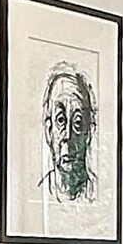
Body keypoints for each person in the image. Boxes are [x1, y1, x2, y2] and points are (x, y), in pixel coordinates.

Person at [37, 62, 97, 203]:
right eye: (61, 120)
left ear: (89, 131)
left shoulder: (100, 193)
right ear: (48, 130)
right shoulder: (39, 191)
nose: (68, 136)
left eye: (77, 123)